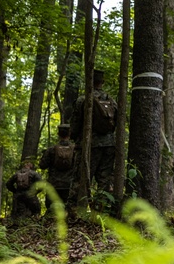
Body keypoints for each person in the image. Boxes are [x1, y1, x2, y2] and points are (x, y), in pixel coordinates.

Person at [70, 69, 118, 198]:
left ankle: (75, 211)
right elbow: (117, 122)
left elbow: (75, 124)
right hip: (109, 145)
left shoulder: (82, 100)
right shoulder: (112, 101)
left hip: (88, 144)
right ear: (103, 81)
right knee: (105, 180)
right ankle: (102, 211)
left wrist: (74, 138)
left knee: (81, 179)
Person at [38, 124, 75, 206]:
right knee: (67, 210)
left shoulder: (51, 150)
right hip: (69, 185)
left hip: (53, 184)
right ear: (70, 134)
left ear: (58, 134)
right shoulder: (75, 150)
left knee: (51, 210)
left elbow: (42, 165)